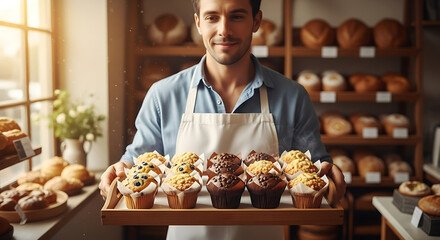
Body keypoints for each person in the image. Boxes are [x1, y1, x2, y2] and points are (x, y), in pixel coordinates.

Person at [99, 0, 346, 239]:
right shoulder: (163, 95)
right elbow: (139, 163)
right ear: (198, 24)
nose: (224, 30)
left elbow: (314, 169)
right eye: (212, 17)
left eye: (237, 16)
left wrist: (331, 174)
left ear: (256, 21)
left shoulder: (293, 97)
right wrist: (120, 169)